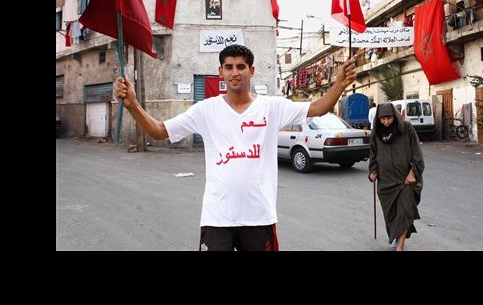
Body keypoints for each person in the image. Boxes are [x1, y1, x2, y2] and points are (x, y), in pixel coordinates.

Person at [115, 44, 356, 251]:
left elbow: (316, 108)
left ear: (252, 70)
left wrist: (338, 86)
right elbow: (159, 131)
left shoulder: (271, 107)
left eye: (241, 66)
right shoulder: (205, 110)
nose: (235, 72)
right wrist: (133, 105)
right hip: (217, 217)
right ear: (220, 72)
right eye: (228, 67)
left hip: (259, 216)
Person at [368, 102, 424, 251]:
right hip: (385, 182)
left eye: (389, 118)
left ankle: (400, 246)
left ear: (395, 116)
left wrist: (413, 172)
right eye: (383, 119)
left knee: (404, 211)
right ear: (378, 119)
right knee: (391, 214)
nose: (386, 122)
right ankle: (396, 236)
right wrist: (372, 172)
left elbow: (417, 154)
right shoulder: (376, 133)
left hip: (405, 180)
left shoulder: (406, 129)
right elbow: (373, 156)